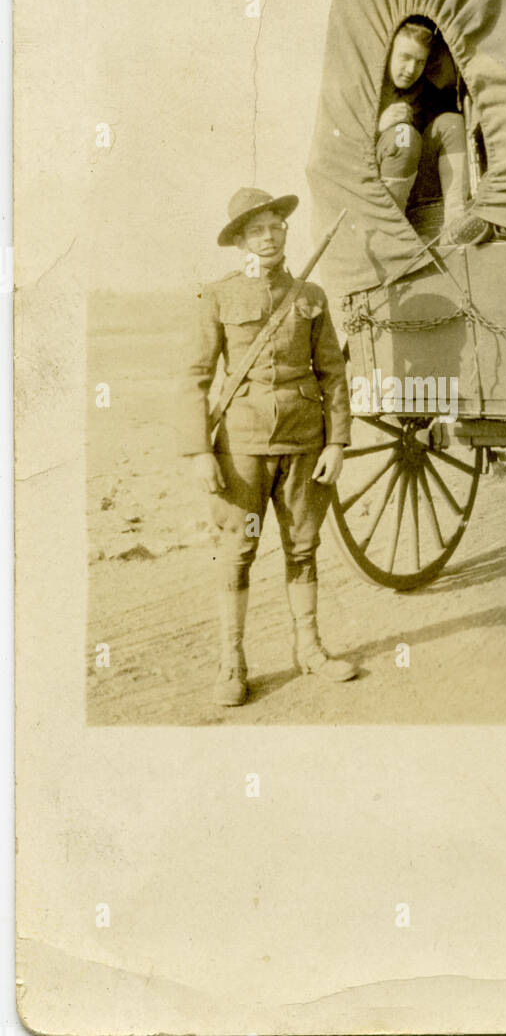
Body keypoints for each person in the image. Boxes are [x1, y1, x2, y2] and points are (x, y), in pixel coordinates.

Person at [178, 187, 356, 707]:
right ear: (240, 242)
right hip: (243, 451)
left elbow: (334, 373)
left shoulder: (311, 295)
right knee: (238, 552)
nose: (270, 236)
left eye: (276, 226)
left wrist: (339, 441)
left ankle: (311, 648)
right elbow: (194, 377)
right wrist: (198, 451)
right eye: (257, 230)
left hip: (305, 445)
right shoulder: (216, 295)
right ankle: (231, 662)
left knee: (303, 547)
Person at [376, 17, 492, 244]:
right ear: (389, 53)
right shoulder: (371, 88)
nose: (411, 69)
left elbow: (454, 125)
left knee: (451, 121)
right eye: (405, 58)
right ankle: (392, 233)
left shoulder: (426, 91)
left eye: (420, 62)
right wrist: (379, 127)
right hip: (377, 189)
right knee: (404, 135)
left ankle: (455, 223)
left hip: (417, 182)